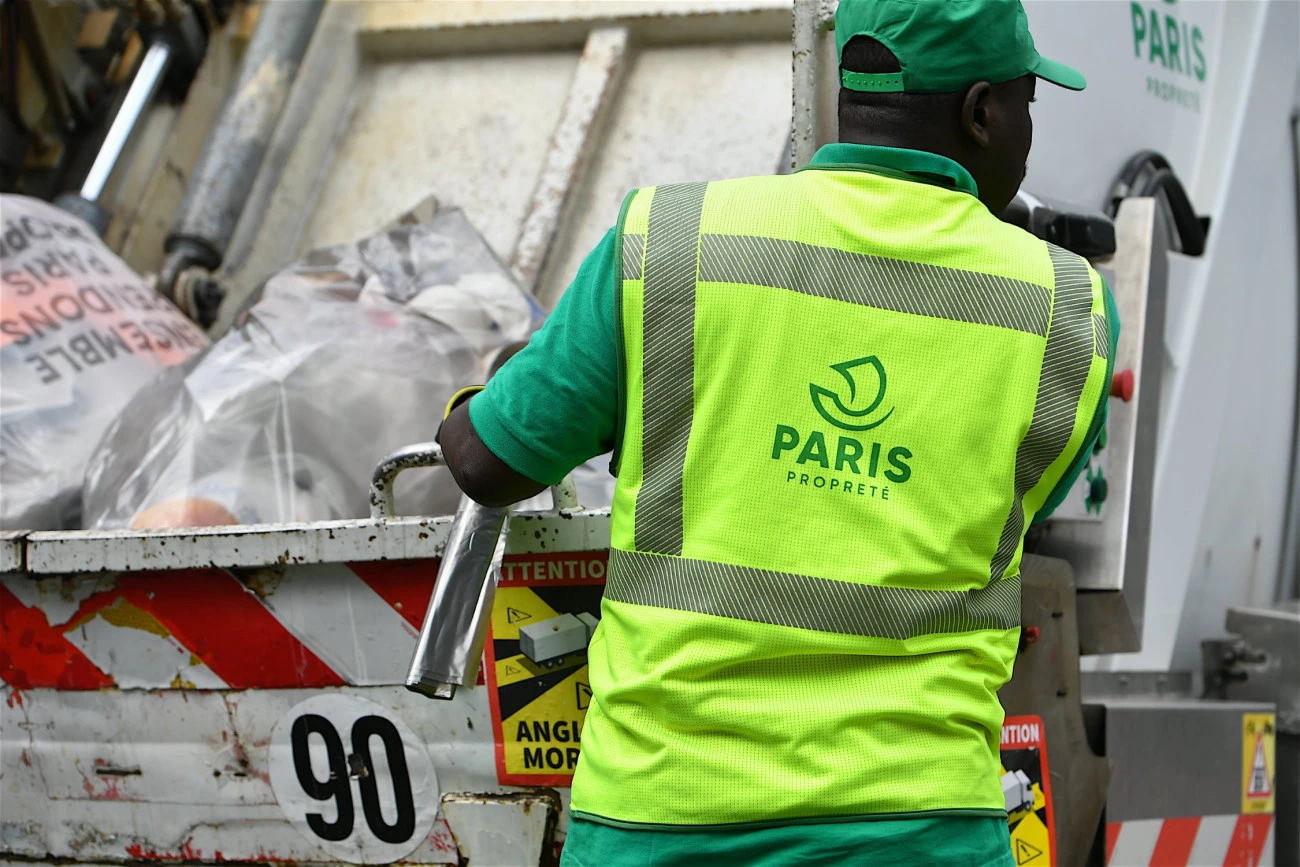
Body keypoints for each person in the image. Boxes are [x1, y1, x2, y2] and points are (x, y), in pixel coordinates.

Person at [439, 0, 1119, 863]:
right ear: (981, 112)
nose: (1026, 135)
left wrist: (486, 395)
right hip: (917, 826)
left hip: (661, 818)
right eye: (1027, 103)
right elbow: (1006, 515)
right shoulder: (1066, 311)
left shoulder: (668, 239)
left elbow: (486, 462)